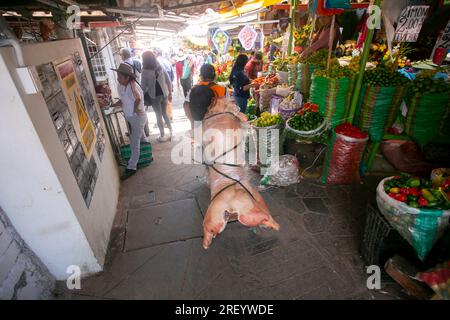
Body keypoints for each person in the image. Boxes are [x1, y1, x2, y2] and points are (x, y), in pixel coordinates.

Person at [111, 63, 146, 180]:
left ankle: (132, 167)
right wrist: (112, 105)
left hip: (137, 117)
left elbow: (138, 99)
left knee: (134, 142)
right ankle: (146, 154)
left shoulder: (133, 86)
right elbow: (123, 100)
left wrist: (136, 109)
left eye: (120, 77)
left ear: (127, 77)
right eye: (117, 76)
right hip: (131, 116)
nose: (118, 78)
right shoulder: (121, 86)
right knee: (141, 137)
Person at [141, 51, 173, 143]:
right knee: (165, 113)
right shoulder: (160, 67)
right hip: (164, 94)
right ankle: (171, 132)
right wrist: (170, 93)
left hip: (154, 96)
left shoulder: (144, 71)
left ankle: (162, 135)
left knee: (158, 115)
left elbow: (143, 87)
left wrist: (141, 98)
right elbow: (169, 81)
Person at [184, 64, 226, 130]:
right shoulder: (222, 90)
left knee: (199, 139)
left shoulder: (194, 89)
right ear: (215, 76)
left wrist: (192, 121)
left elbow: (186, 105)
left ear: (201, 76)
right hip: (216, 126)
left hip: (198, 124)